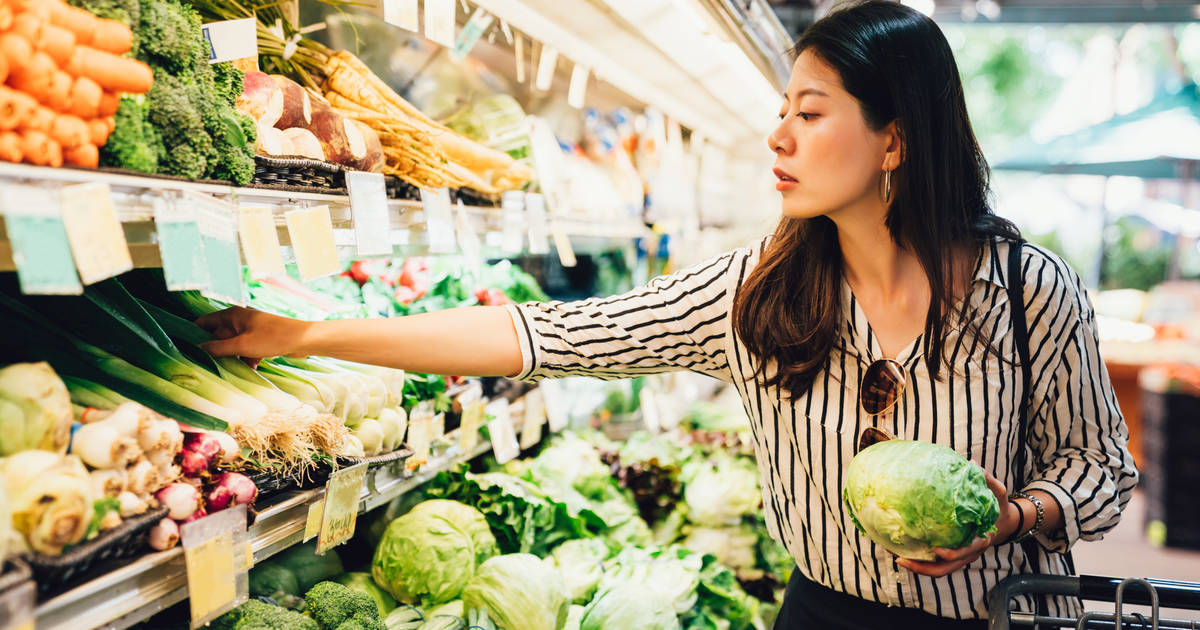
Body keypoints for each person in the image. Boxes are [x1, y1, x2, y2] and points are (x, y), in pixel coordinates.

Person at [197, 1, 1137, 627]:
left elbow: (1100, 467)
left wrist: (1013, 514)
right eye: (781, 110)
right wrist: (306, 336)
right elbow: (542, 336)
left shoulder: (1026, 290)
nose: (778, 136)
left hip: (1004, 612)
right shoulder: (757, 296)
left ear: (893, 138)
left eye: (810, 113)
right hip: (825, 613)